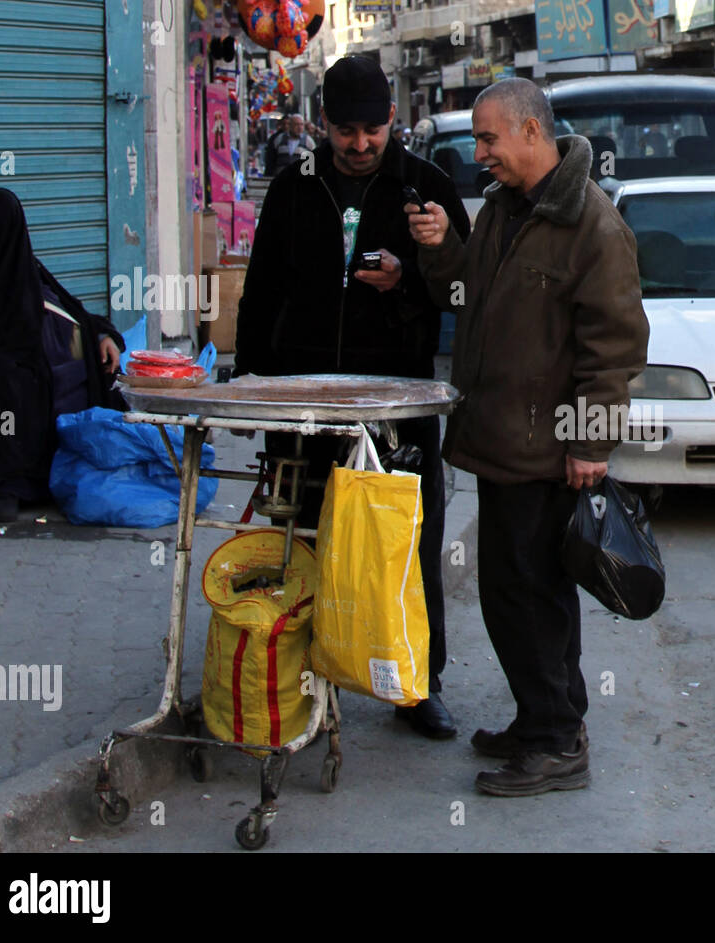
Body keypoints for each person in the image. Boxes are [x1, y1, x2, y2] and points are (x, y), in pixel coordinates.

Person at [406, 78, 649, 797]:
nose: (481, 154)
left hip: (548, 449)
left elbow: (614, 348)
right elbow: (468, 295)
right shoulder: (506, 211)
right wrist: (440, 246)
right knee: (513, 591)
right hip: (498, 439)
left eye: (489, 139)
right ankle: (541, 718)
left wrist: (591, 442)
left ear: (532, 134)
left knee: (532, 594)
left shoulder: (592, 226)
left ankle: (555, 741)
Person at [235, 56, 471, 737]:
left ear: (393, 120)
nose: (361, 144)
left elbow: (461, 292)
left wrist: (409, 278)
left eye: (372, 129)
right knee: (300, 537)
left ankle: (417, 685)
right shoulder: (291, 189)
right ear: (323, 126)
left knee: (405, 540)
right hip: (302, 401)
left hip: (396, 401)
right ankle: (295, 676)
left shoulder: (426, 188)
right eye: (346, 131)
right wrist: (252, 386)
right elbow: (260, 293)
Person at [0, 188, 124, 522]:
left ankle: (13, 484)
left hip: (23, 395)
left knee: (17, 376)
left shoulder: (20, 269)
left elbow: (68, 309)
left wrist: (104, 336)